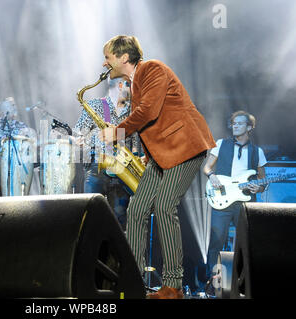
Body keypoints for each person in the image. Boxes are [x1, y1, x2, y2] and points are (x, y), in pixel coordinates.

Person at [99, 35, 216, 299]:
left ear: (123, 58)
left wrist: (116, 132)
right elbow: (159, 119)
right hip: (163, 155)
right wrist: (149, 156)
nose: (104, 62)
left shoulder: (152, 69)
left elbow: (148, 112)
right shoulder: (136, 81)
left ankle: (173, 286)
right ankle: (132, 277)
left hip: (185, 147)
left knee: (164, 206)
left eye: (108, 57)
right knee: (137, 207)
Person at [203, 110, 267, 289]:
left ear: (249, 127)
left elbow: (262, 181)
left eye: (239, 123)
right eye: (233, 123)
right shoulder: (221, 144)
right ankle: (212, 283)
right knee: (216, 240)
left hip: (245, 203)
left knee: (245, 242)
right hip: (222, 200)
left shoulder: (257, 152)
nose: (235, 126)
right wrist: (212, 176)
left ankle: (242, 283)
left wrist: (259, 187)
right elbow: (207, 167)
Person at [74, 76, 140, 230]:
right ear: (120, 85)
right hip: (97, 168)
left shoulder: (133, 111)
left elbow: (135, 140)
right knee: (91, 217)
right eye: (131, 85)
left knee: (119, 221)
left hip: (122, 171)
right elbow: (78, 133)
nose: (134, 90)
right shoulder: (95, 105)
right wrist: (84, 139)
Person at [0, 97, 36, 195]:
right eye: (10, 104)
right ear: (2, 108)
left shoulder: (21, 126)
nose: (14, 107)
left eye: (14, 105)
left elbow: (31, 143)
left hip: (14, 168)